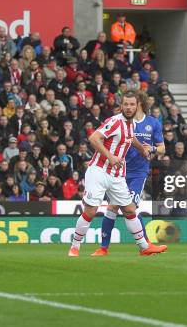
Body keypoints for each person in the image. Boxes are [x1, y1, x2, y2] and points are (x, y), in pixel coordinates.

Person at [68, 91, 166, 256]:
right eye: (125, 104)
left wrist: (142, 149)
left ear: (137, 106)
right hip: (99, 170)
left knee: (129, 210)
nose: (128, 108)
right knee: (91, 211)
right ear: (121, 106)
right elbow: (93, 138)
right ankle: (75, 246)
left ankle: (144, 247)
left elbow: (131, 138)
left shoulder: (130, 124)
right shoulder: (114, 121)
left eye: (132, 105)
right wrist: (110, 156)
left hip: (117, 174)